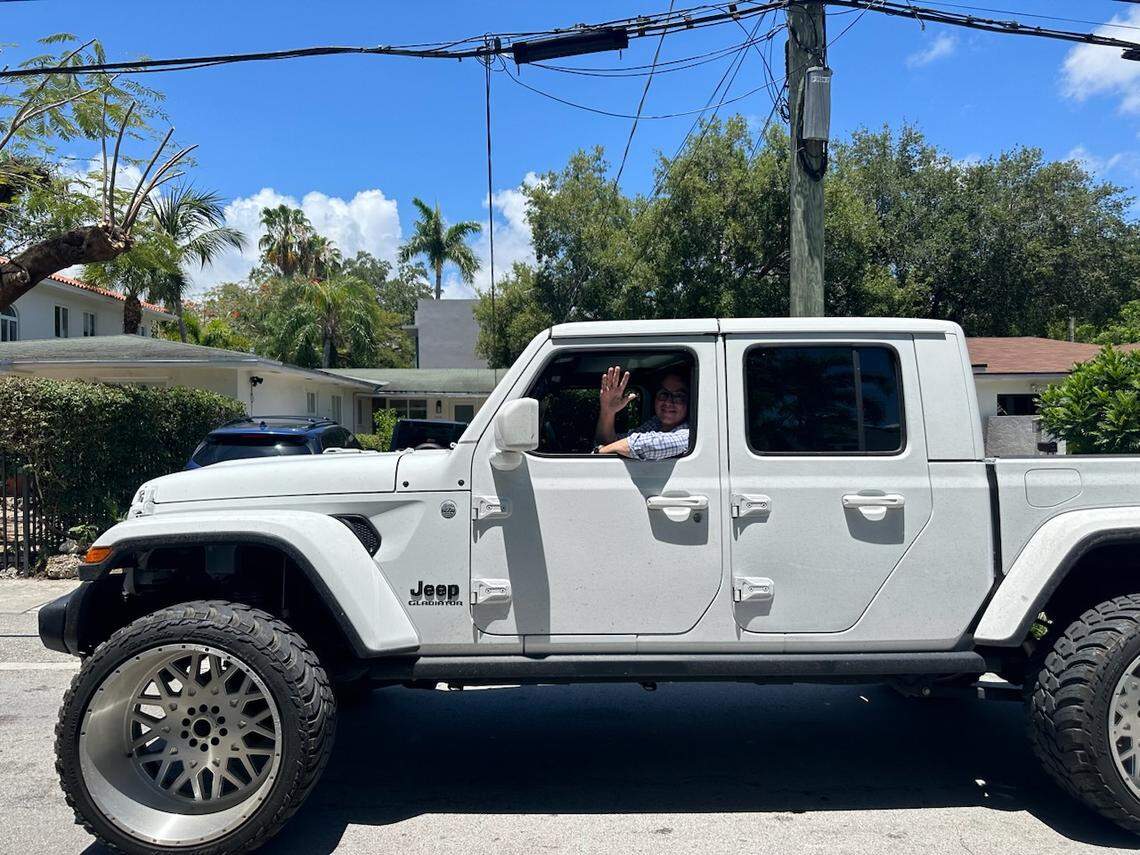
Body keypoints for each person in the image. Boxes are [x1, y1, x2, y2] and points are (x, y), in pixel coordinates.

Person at [594, 365, 690, 460]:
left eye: (678, 396)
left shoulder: (690, 432)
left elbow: (647, 446)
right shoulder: (656, 423)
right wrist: (608, 411)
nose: (668, 402)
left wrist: (598, 452)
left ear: (690, 401)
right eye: (664, 394)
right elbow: (612, 442)